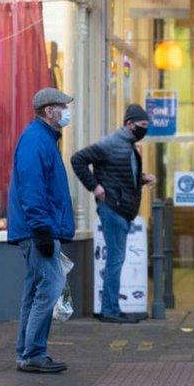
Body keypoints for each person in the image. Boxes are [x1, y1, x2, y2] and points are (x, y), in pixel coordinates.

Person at [8, 87, 77, 373]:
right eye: (63, 106)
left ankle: (27, 352)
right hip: (38, 230)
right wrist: (43, 231)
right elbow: (32, 190)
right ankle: (33, 353)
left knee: (36, 289)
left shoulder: (43, 139)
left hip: (38, 228)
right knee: (49, 287)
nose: (67, 111)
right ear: (50, 111)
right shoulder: (37, 141)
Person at [71, 104, 156, 324]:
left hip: (122, 210)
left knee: (116, 259)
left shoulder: (127, 145)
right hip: (113, 209)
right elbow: (78, 159)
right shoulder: (111, 143)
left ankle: (112, 308)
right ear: (129, 124)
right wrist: (95, 187)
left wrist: (142, 178)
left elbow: (120, 174)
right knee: (115, 261)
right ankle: (110, 310)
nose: (144, 130)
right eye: (142, 125)